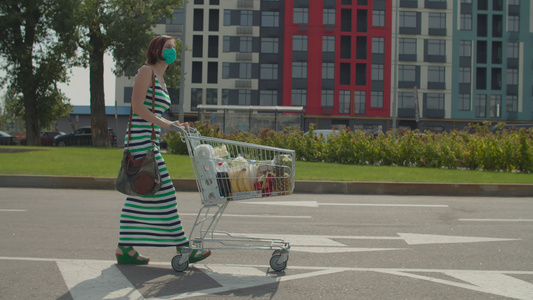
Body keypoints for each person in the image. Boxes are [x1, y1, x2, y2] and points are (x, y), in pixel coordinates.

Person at [115, 35, 211, 264]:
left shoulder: (162, 79)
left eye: (174, 48)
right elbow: (137, 107)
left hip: (150, 142)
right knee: (165, 192)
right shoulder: (146, 71)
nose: (172, 51)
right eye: (168, 47)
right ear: (156, 50)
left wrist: (175, 125)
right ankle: (183, 248)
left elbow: (155, 112)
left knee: (140, 194)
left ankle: (124, 248)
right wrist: (167, 125)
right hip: (139, 142)